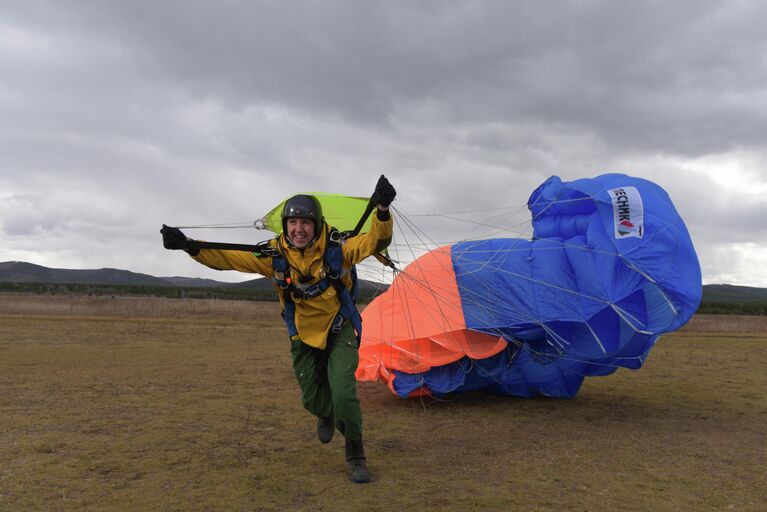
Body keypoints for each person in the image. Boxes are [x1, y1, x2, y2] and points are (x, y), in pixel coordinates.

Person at [160, 177, 396, 483]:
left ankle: (355, 453)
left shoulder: (339, 248)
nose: (299, 229)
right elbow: (230, 259)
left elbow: (374, 242)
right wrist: (190, 247)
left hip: (340, 330)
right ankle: (325, 413)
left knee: (343, 394)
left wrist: (381, 211)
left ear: (316, 224)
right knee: (312, 399)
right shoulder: (274, 256)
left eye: (306, 222)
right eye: (293, 222)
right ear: (285, 225)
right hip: (302, 333)